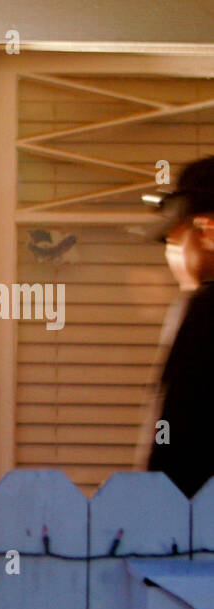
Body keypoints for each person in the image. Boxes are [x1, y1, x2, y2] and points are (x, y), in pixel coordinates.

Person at [141, 156, 214, 497]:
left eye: (174, 239)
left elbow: (174, 436)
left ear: (207, 231)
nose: (171, 255)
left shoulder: (205, 310)